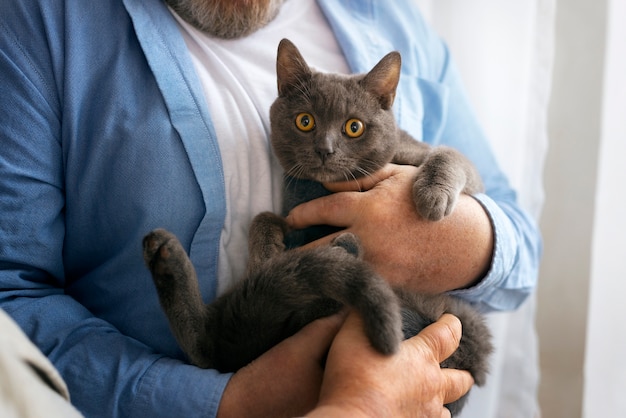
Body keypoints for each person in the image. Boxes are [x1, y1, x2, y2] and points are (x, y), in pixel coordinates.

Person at [0, 1, 542, 417]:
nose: (329, 146)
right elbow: (11, 297)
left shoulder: (387, 14)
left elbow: (522, 245)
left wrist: (463, 238)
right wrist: (223, 402)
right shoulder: (40, 23)